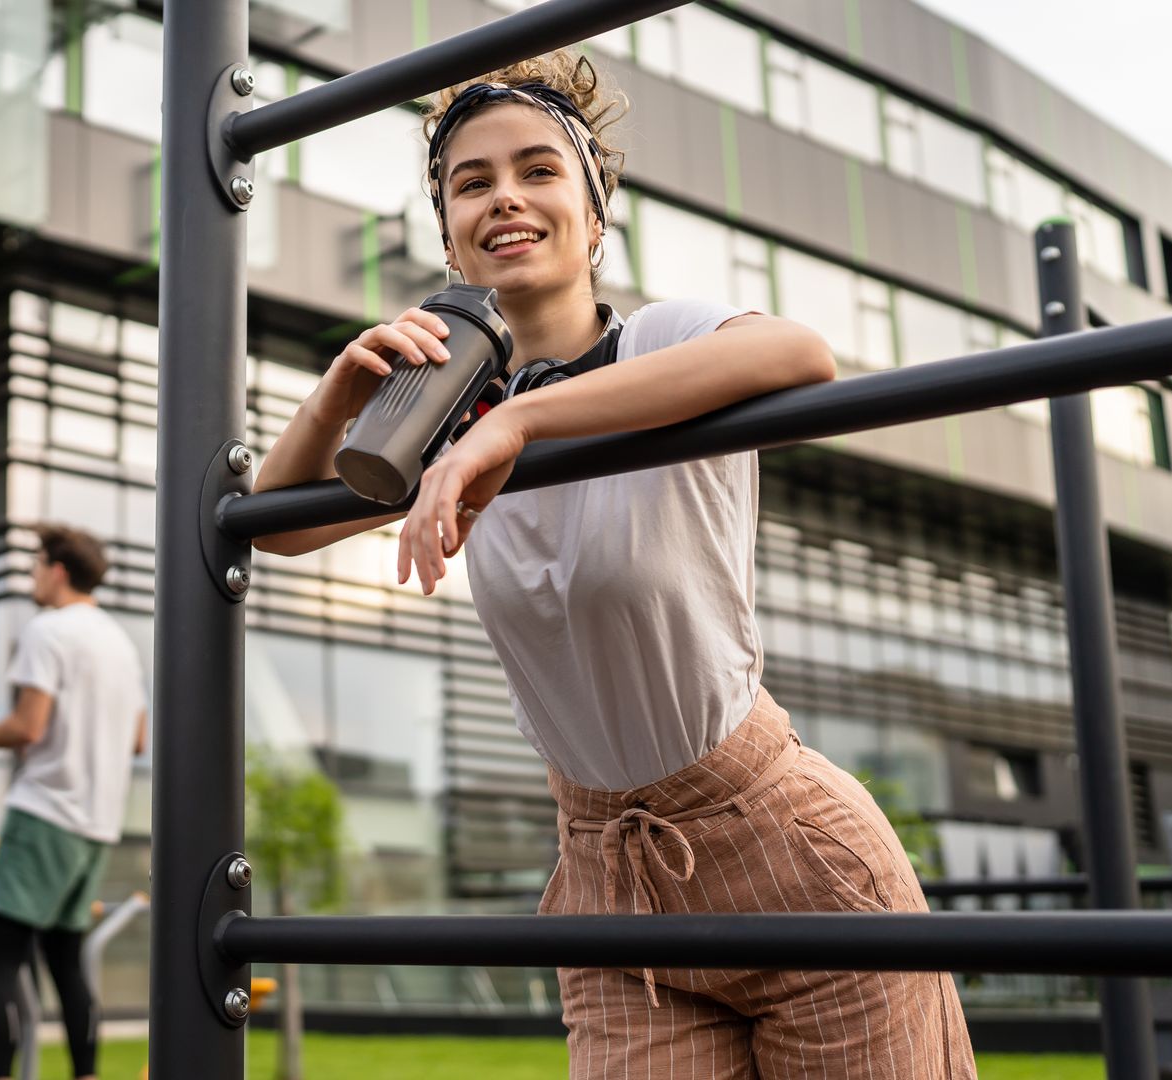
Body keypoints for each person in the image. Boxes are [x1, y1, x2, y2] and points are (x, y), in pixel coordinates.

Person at [252, 50, 974, 1078]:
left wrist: (521, 423)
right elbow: (277, 529)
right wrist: (337, 399)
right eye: (472, 182)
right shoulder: (450, 420)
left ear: (596, 217)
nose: (505, 196)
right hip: (608, 872)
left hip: (787, 847)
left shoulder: (661, 342)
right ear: (452, 236)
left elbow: (801, 354)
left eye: (539, 170)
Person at [0, 524, 147, 1080]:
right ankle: (85, 1074)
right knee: (65, 962)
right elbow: (137, 740)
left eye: (36, 565)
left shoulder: (49, 630)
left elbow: (27, 726)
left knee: (2, 961)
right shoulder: (120, 644)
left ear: (58, 570)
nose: (33, 575)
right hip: (96, 824)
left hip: (45, 812)